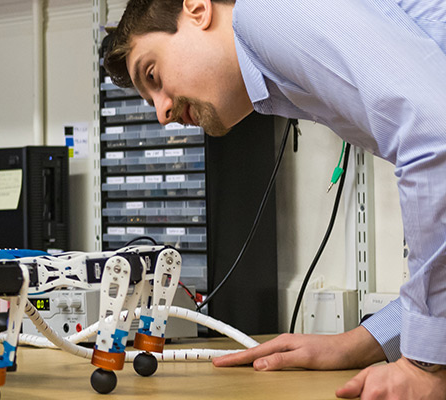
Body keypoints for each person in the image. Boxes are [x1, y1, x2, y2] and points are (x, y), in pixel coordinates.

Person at [100, 0, 446, 398]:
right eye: (149, 100)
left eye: (153, 74)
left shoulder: (266, 11)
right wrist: (364, 341)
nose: (162, 113)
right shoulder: (283, 81)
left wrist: (425, 364)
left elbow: (434, 137)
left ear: (197, 9)